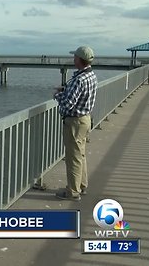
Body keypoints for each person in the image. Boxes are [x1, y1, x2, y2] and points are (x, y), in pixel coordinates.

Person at [53, 46, 98, 201]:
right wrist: (66, 90)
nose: (73, 59)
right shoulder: (90, 75)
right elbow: (79, 96)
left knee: (73, 158)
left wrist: (58, 95)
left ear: (79, 59)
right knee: (81, 155)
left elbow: (67, 105)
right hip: (85, 120)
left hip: (75, 122)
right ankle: (81, 185)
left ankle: (72, 192)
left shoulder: (78, 79)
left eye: (75, 57)